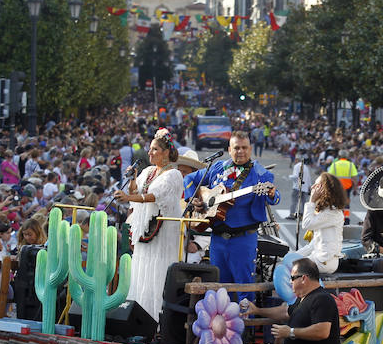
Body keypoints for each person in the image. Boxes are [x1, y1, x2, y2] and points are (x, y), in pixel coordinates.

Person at [184, 131, 279, 304]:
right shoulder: (217, 167)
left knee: (244, 289)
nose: (240, 151)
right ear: (229, 149)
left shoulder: (261, 174)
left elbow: (275, 197)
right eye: (236, 148)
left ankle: (244, 329)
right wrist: (194, 200)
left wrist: (272, 193)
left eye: (244, 148)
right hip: (218, 240)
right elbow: (190, 179)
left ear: (250, 150)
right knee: (217, 287)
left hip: (243, 241)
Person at [114, 128, 184, 323]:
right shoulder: (148, 171)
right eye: (150, 149)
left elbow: (155, 197)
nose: (150, 153)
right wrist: (133, 178)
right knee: (142, 272)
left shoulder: (174, 175)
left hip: (162, 234)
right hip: (145, 232)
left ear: (166, 152)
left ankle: (156, 322)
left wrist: (129, 196)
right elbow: (137, 193)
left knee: (157, 274)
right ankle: (138, 322)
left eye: (154, 149)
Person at [296, 173, 346, 274]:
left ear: (326, 190)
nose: (313, 188)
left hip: (325, 261)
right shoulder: (326, 211)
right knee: (287, 262)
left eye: (317, 185)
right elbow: (313, 244)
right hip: (320, 258)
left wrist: (312, 201)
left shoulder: (333, 213)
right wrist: (293, 255)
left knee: (288, 269)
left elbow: (307, 224)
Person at [288, 153, 314, 220]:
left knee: (294, 201)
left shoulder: (296, 166)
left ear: (297, 159)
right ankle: (302, 215)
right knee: (303, 202)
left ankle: (292, 214)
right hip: (304, 187)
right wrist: (309, 186)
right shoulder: (306, 167)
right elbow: (309, 178)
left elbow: (296, 176)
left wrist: (289, 177)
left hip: (297, 187)